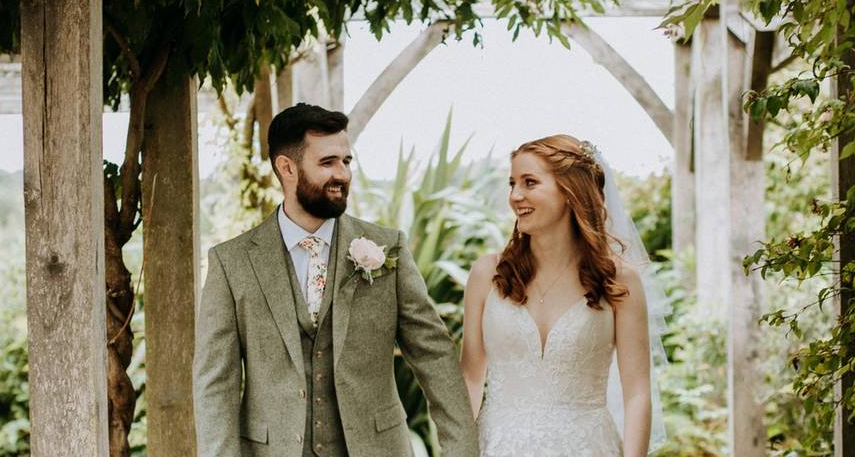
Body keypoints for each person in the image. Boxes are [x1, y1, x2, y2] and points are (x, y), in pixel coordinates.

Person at [193, 103, 478, 457]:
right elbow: (214, 383)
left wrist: (461, 449)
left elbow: (434, 356)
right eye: (327, 163)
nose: (342, 174)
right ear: (287, 168)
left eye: (346, 161)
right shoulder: (231, 262)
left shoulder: (388, 250)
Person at [460, 134, 666, 457]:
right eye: (512, 183)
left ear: (569, 192)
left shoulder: (619, 281)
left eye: (529, 182)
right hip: (496, 447)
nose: (515, 195)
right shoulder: (487, 275)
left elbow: (637, 393)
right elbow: (470, 379)